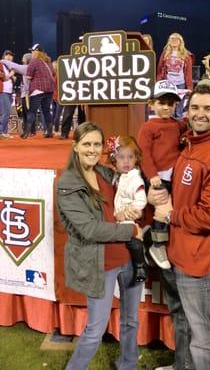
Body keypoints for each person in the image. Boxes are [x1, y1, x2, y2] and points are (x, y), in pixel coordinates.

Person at [150, 84, 210, 370]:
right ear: (187, 111)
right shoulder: (188, 144)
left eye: (207, 109)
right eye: (195, 108)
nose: (200, 114)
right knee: (182, 320)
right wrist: (159, 197)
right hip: (176, 252)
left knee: (202, 333)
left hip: (198, 259)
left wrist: (171, 215)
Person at [57, 122, 144, 370]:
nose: (92, 149)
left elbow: (130, 190)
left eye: (96, 144)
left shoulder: (106, 172)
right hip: (101, 265)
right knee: (95, 328)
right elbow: (90, 229)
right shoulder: (68, 184)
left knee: (131, 320)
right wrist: (130, 229)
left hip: (128, 259)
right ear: (75, 147)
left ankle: (128, 364)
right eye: (86, 144)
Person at [137, 80, 186, 270]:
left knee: (170, 211)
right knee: (163, 211)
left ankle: (152, 238)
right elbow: (144, 153)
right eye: (161, 103)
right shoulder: (148, 127)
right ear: (152, 104)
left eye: (170, 104)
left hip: (176, 177)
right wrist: (152, 175)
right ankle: (157, 246)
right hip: (159, 178)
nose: (166, 107)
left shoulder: (179, 125)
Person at [106, 135, 148, 283]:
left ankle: (140, 265)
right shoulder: (119, 176)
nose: (126, 161)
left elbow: (141, 199)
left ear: (136, 159)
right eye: (121, 157)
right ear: (114, 159)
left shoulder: (134, 178)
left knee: (133, 238)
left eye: (130, 157)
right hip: (118, 215)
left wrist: (132, 210)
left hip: (129, 216)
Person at [21, 43, 55, 139]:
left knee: (32, 111)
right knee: (47, 111)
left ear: (36, 51)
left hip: (38, 89)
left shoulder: (34, 61)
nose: (31, 52)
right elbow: (52, 73)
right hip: (49, 89)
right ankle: (50, 132)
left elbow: (28, 76)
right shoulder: (48, 61)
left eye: (32, 51)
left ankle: (26, 133)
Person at [0, 50, 15, 139]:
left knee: (4, 113)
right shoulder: (1, 64)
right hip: (3, 91)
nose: (9, 57)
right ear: (3, 56)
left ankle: (3, 132)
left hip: (9, 92)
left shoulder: (9, 67)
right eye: (7, 55)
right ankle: (3, 132)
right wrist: (11, 75)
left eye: (11, 55)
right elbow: (3, 77)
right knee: (6, 112)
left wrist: (12, 76)